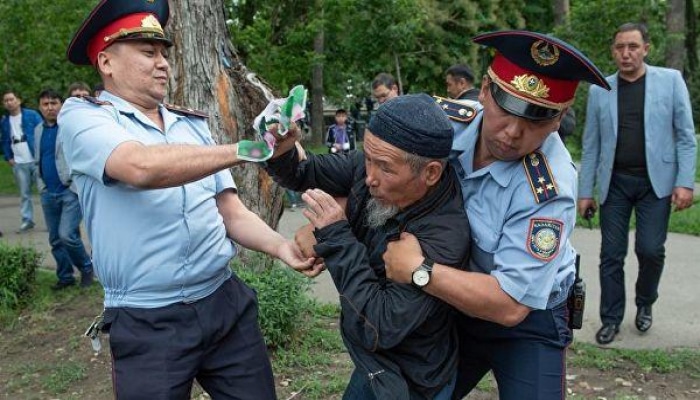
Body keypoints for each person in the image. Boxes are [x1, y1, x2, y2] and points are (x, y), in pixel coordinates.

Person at [59, 1, 314, 398]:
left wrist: (282, 247)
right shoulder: (84, 118)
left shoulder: (189, 125)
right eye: (148, 53)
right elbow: (141, 166)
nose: (162, 63)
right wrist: (249, 148)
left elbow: (228, 209)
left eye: (164, 53)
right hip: (149, 319)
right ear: (106, 62)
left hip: (224, 302)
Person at [382, 30, 611, 399]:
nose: (513, 132)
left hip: (527, 320)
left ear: (560, 118)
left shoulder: (549, 188)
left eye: (537, 120)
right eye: (506, 108)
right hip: (446, 301)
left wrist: (418, 270)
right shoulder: (442, 124)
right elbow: (378, 170)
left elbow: (510, 305)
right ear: (485, 90)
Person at [266, 93, 471, 399]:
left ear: (430, 173)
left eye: (385, 168)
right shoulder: (372, 167)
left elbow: (377, 325)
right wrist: (282, 149)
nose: (369, 177)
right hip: (375, 366)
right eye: (367, 158)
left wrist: (334, 235)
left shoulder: (444, 233)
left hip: (411, 380)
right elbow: (304, 172)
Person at [578, 22, 697, 345]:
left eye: (632, 46)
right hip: (615, 183)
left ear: (646, 48)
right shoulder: (600, 88)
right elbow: (591, 145)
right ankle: (611, 319)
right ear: (613, 51)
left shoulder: (670, 82)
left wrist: (685, 182)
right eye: (620, 47)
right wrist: (585, 192)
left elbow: (686, 137)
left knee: (650, 249)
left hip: (656, 184)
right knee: (611, 255)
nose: (626, 53)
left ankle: (645, 302)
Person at [34, 89, 95, 290]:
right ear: (40, 107)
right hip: (48, 193)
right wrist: (41, 185)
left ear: (61, 105)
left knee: (67, 235)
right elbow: (38, 159)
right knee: (55, 238)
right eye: (45, 104)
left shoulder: (70, 127)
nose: (50, 107)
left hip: (70, 191)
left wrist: (73, 183)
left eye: (54, 103)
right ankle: (65, 276)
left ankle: (86, 268)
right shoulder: (38, 130)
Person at [1, 90, 43, 233]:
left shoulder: (31, 115)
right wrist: (9, 157)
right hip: (19, 162)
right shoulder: (5, 121)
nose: (9, 102)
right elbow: (5, 140)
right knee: (24, 193)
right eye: (6, 100)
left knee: (44, 191)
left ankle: (51, 220)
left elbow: (42, 131)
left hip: (35, 159)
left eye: (11, 99)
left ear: (18, 100)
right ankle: (27, 220)